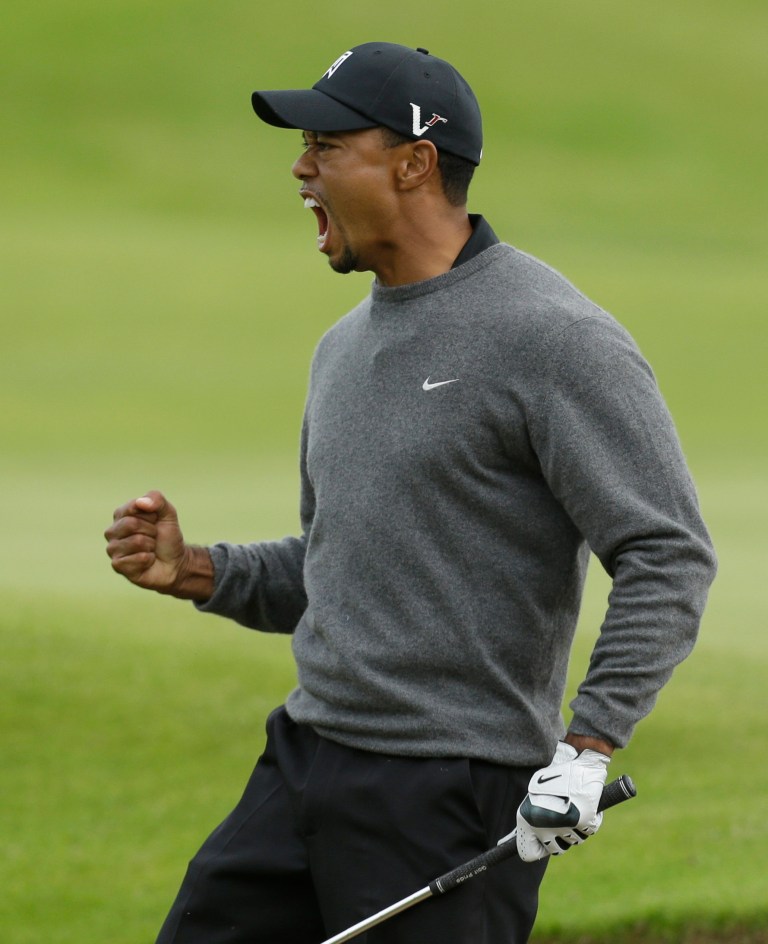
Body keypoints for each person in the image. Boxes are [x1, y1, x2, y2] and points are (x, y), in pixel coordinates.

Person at [104, 42, 717, 944]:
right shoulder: (342, 349)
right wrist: (198, 571)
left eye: (325, 144)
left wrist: (589, 747)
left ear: (413, 162)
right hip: (302, 762)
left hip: (448, 792)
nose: (300, 166)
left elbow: (668, 553)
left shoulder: (553, 338)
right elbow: (340, 566)